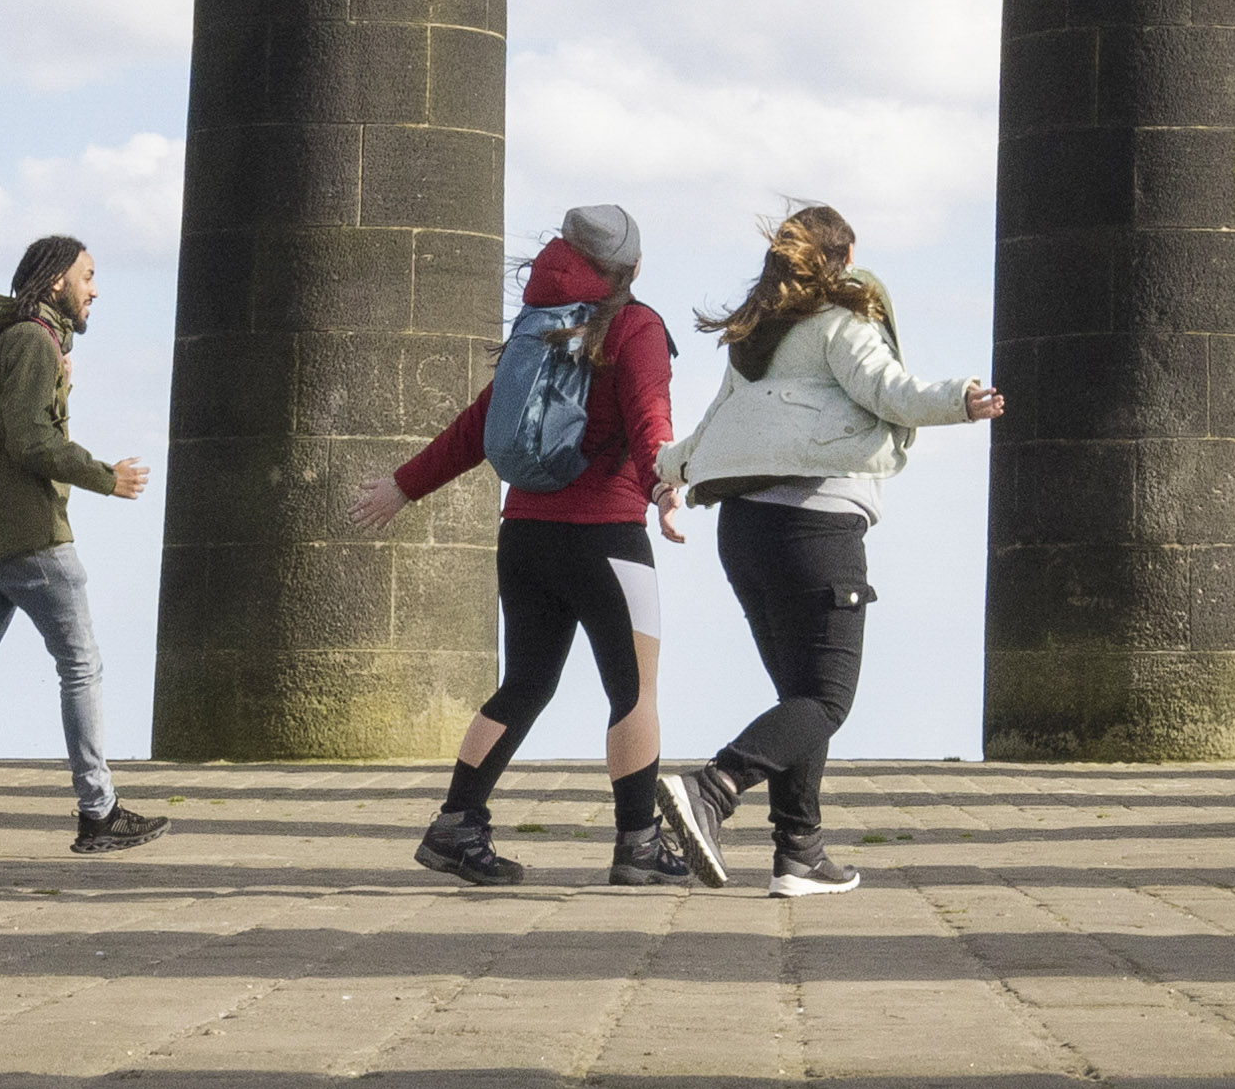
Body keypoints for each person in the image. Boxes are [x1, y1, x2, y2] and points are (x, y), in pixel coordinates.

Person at [349, 199, 717, 885]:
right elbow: (649, 420)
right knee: (634, 693)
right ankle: (637, 844)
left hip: (525, 537)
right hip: (605, 539)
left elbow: (479, 424)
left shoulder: (538, 328)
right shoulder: (634, 326)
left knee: (524, 684)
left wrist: (405, 486)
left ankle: (456, 825)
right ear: (633, 267)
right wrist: (664, 490)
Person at [658, 197, 998, 895]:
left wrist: (666, 474)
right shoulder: (842, 327)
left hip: (743, 533)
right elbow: (891, 392)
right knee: (827, 700)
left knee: (798, 696)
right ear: (842, 262)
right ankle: (714, 789)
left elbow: (711, 429)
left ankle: (799, 853)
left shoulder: (754, 340)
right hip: (816, 527)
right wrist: (961, 399)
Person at [0, 233, 160, 863]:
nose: (95, 289)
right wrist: (108, 477)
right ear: (56, 282)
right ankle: (98, 812)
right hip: (30, 536)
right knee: (81, 666)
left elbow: (12, 426)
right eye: (88, 276)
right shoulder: (30, 341)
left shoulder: (5, 337)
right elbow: (29, 441)